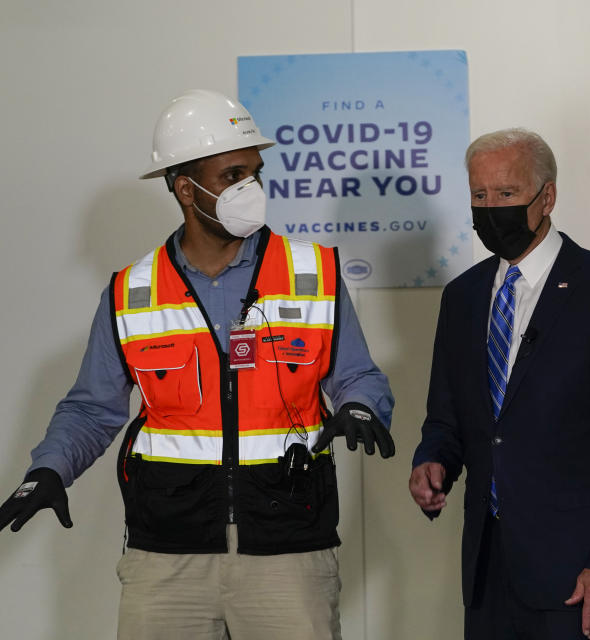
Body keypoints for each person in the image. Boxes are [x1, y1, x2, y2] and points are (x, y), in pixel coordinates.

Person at [0, 89, 395, 640]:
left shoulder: (315, 274)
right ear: (187, 189)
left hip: (288, 551)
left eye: (255, 172)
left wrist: (361, 406)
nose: (250, 189)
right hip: (166, 558)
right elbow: (92, 408)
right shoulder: (132, 292)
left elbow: (358, 374)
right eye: (233, 174)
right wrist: (48, 469)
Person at [408, 128, 590, 640]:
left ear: (546, 196)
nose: (489, 208)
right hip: (488, 571)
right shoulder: (462, 298)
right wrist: (432, 460)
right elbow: (448, 416)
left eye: (505, 194)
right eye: (479, 196)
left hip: (580, 576)